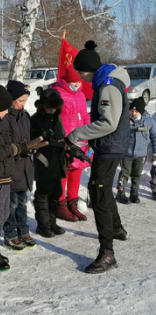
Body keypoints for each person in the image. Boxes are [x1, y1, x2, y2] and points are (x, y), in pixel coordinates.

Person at [67, 40, 130, 273]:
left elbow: (109, 122)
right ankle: (117, 228)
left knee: (99, 193)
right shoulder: (107, 80)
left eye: (81, 73)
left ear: (86, 70)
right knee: (99, 189)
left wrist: (78, 133)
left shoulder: (107, 86)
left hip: (110, 145)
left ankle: (107, 253)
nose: (81, 78)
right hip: (111, 145)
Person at [0, 84, 46, 271]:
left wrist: (24, 146)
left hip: (4, 174)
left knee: (4, 214)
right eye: (4, 109)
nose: (7, 112)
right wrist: (17, 148)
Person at [51, 68, 90, 221]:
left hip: (80, 139)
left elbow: (85, 114)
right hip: (64, 140)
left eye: (78, 82)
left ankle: (72, 202)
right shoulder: (57, 94)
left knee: (76, 170)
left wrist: (88, 132)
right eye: (73, 82)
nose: (76, 84)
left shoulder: (80, 94)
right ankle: (60, 205)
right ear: (66, 81)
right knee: (63, 171)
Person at [2, 80, 37, 250]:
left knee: (22, 202)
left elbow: (29, 137)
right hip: (11, 167)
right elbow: (4, 144)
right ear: (11, 99)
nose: (23, 104)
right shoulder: (4, 117)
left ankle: (23, 230)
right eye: (20, 100)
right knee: (11, 204)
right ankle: (10, 232)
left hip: (24, 168)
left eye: (25, 101)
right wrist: (20, 149)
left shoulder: (25, 116)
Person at [31, 89, 67, 238]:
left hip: (57, 162)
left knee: (55, 194)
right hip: (43, 162)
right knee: (43, 194)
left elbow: (61, 136)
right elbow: (34, 142)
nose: (52, 109)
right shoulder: (35, 120)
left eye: (55, 106)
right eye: (49, 106)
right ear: (43, 105)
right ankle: (43, 225)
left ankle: (52, 222)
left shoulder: (57, 118)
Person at [116, 97, 156, 204]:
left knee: (136, 175)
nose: (133, 113)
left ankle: (134, 194)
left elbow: (154, 137)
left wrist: (155, 152)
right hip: (126, 153)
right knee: (125, 174)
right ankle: (120, 193)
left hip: (141, 154)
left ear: (141, 111)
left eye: (136, 111)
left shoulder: (149, 121)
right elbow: (119, 132)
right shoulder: (125, 119)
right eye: (132, 110)